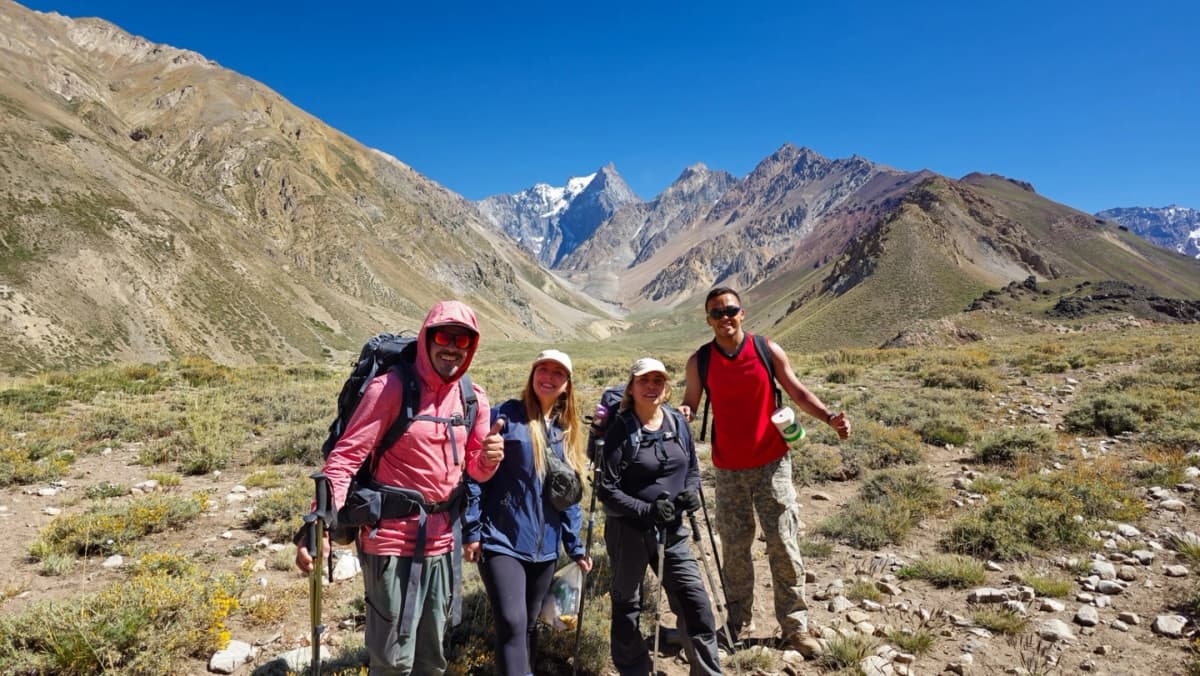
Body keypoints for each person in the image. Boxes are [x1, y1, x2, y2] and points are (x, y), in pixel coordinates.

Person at [296, 300, 504, 675]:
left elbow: (474, 469)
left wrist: (489, 457)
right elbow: (345, 458)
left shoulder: (474, 399)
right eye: (444, 336)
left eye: (463, 340)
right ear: (427, 337)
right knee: (392, 661)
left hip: (443, 544)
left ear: (472, 347)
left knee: (431, 658)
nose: (452, 347)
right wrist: (319, 521)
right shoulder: (390, 388)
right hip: (390, 541)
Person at [679, 287, 850, 647]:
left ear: (742, 313)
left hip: (772, 464)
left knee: (784, 544)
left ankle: (795, 627)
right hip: (727, 470)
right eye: (716, 313)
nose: (724, 317)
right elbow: (690, 404)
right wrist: (681, 416)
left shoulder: (765, 350)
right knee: (735, 549)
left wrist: (829, 417)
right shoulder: (701, 361)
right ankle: (737, 623)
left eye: (730, 310)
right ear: (707, 319)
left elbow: (798, 392)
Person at [463, 349, 593, 676]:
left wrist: (574, 546)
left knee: (530, 625)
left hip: (545, 549)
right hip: (500, 540)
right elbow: (476, 474)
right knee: (512, 622)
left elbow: (569, 497)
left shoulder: (567, 431)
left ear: (567, 385)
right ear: (533, 374)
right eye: (543, 370)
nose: (548, 378)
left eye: (557, 373)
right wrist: (472, 529)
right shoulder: (506, 417)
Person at [597, 357, 723, 676]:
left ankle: (707, 671)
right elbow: (606, 489)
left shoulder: (677, 422)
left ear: (666, 387)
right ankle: (634, 668)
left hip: (672, 530)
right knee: (628, 604)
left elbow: (692, 468)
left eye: (658, 381)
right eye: (644, 380)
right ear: (631, 386)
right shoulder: (620, 429)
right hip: (628, 531)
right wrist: (646, 509)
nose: (651, 387)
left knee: (694, 600)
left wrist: (690, 493)